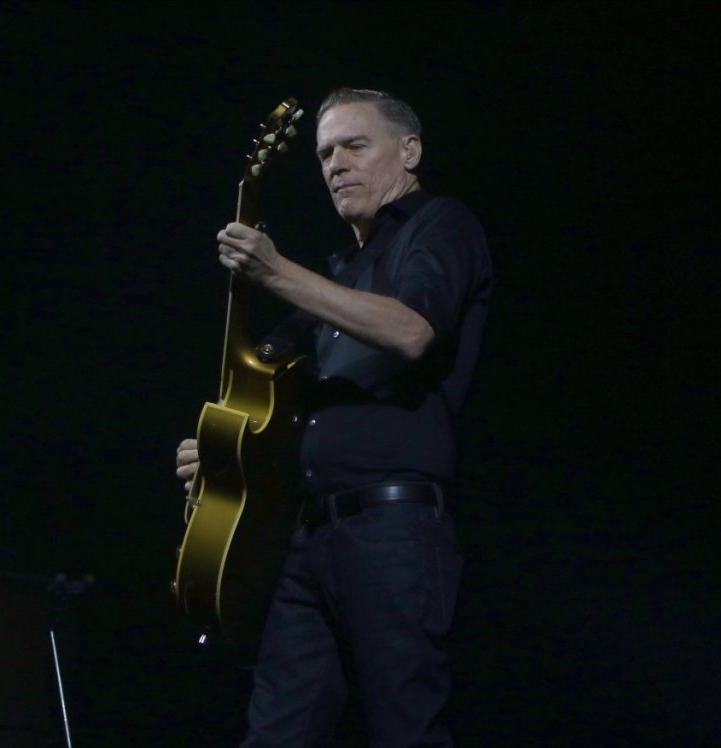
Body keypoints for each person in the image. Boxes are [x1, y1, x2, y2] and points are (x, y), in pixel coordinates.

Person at [175, 88, 492, 747]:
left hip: (393, 530)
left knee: (406, 731)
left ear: (409, 151)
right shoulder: (340, 275)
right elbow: (266, 392)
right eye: (324, 154)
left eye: (355, 145)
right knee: (276, 735)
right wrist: (223, 449)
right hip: (306, 538)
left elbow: (411, 331)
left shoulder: (441, 224)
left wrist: (275, 271)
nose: (335, 165)